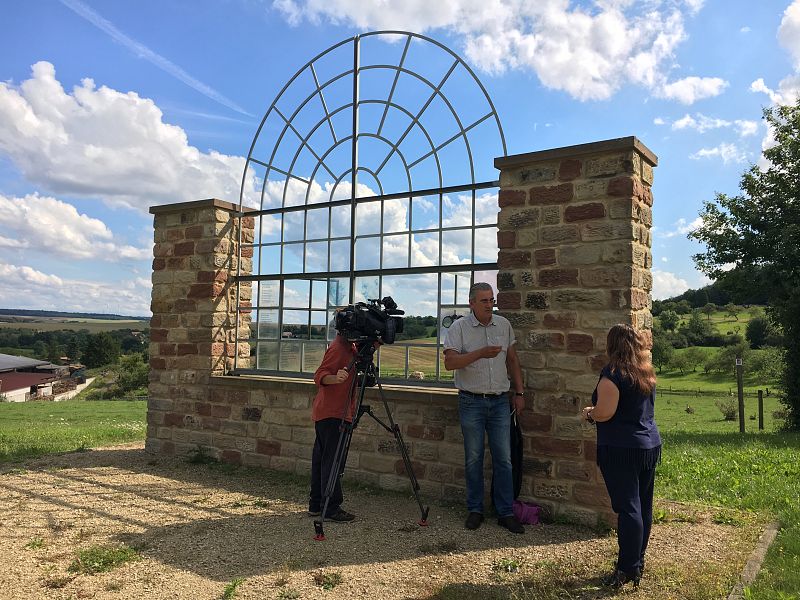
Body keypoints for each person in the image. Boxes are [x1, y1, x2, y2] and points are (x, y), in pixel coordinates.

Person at [581, 324, 662, 589]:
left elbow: (606, 411)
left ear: (611, 345)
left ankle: (626, 568)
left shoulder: (612, 374)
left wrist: (589, 413)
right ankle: (637, 561)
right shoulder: (645, 373)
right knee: (642, 506)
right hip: (648, 445)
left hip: (621, 448)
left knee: (628, 508)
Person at [443, 282, 526, 534]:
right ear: (472, 303)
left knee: (504, 459)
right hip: (471, 401)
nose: (490, 305)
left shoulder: (503, 325)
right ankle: (475, 510)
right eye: (484, 301)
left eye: (492, 300)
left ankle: (505, 512)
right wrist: (479, 353)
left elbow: (512, 360)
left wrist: (519, 392)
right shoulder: (459, 328)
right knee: (474, 458)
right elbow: (450, 363)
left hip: (500, 401)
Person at [308, 332, 358, 522]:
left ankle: (316, 504)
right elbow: (320, 375)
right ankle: (331, 507)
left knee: (322, 459)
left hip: (329, 411)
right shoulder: (338, 348)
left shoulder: (350, 346)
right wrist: (335, 378)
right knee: (332, 460)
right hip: (334, 412)